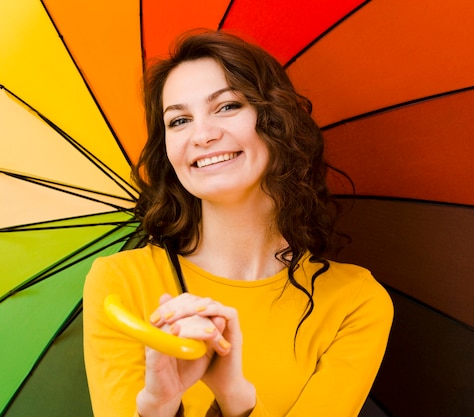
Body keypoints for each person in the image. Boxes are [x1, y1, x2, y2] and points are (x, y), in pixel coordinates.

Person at [83, 30, 393, 417]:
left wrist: (235, 397)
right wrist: (158, 407)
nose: (203, 135)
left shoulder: (355, 302)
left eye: (227, 106)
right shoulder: (120, 284)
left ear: (275, 121)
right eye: (178, 120)